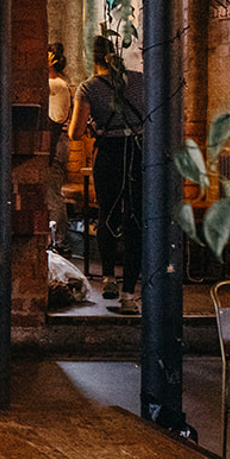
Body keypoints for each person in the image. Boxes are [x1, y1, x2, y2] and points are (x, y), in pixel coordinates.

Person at [67, 36, 146, 315]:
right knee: (135, 217)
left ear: (94, 58)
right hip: (138, 153)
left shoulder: (87, 87)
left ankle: (110, 278)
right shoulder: (140, 81)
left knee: (107, 215)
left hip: (109, 155)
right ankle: (129, 294)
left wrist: (92, 125)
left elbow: (74, 132)